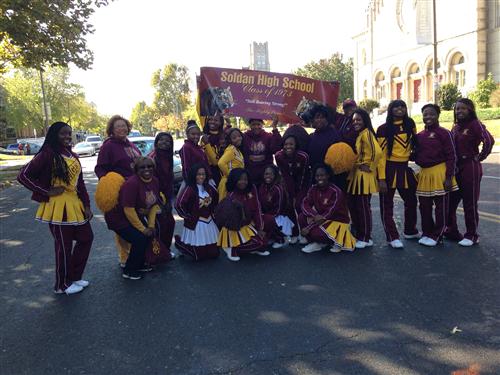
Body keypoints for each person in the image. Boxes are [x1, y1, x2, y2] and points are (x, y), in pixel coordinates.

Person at [17, 122, 93, 295]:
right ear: (54, 135)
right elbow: (23, 175)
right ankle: (62, 285)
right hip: (57, 206)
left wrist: (87, 205)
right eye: (63, 134)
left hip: (76, 204)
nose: (67, 136)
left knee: (86, 237)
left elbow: (79, 183)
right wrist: (46, 191)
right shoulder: (47, 153)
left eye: (69, 133)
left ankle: (74, 276)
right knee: (63, 246)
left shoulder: (72, 155)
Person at [445, 98, 494, 246]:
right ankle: (451, 230)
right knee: (450, 202)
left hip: (470, 167)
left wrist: (480, 157)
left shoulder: (475, 124)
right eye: (457, 109)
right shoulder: (455, 127)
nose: (459, 111)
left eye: (463, 108)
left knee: (469, 203)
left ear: (470, 110)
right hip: (456, 168)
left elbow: (489, 140)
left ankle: (472, 235)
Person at [105, 157, 162, 280]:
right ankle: (129, 270)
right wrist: (143, 229)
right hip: (118, 218)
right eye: (142, 167)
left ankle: (139, 264)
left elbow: (153, 206)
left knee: (147, 235)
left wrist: (150, 226)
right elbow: (128, 210)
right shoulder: (132, 184)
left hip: (134, 215)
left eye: (149, 166)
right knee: (139, 238)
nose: (147, 169)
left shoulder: (155, 181)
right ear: (136, 170)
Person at [95, 115, 141, 266]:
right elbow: (100, 168)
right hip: (119, 191)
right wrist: (108, 185)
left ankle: (138, 255)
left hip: (135, 189)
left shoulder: (131, 145)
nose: (122, 129)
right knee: (123, 226)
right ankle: (125, 258)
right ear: (112, 131)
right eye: (118, 127)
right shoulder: (108, 146)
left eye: (124, 126)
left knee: (135, 222)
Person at [376, 99, 419, 249]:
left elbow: (415, 144)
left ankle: (410, 230)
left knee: (411, 201)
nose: (400, 109)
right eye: (396, 107)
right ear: (390, 109)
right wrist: (381, 178)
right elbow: (380, 156)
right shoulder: (383, 129)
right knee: (386, 205)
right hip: (388, 169)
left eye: (402, 106)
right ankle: (392, 236)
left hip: (405, 168)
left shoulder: (410, 124)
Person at [414, 104, 458, 247]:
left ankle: (438, 235)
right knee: (424, 206)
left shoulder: (444, 133)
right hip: (424, 174)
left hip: (440, 172)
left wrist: (448, 177)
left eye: (431, 114)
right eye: (425, 114)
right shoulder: (419, 135)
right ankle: (427, 232)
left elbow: (452, 156)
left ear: (438, 115)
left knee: (441, 207)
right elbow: (415, 155)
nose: (428, 117)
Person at [299, 163, 356, 253]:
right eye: (317, 176)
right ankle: (316, 241)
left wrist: (308, 228)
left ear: (328, 176)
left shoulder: (336, 191)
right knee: (302, 217)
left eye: (322, 175)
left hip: (336, 221)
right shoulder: (313, 189)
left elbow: (329, 213)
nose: (319, 178)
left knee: (315, 232)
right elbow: (305, 204)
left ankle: (328, 241)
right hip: (322, 219)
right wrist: (314, 215)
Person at [347, 108, 382, 249]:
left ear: (365, 121)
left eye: (359, 120)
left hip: (363, 176)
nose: (356, 122)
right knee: (355, 206)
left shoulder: (367, 133)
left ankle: (366, 237)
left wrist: (370, 166)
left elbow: (377, 152)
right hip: (356, 175)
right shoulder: (360, 134)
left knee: (363, 208)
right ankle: (360, 233)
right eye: (354, 120)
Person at [217, 168, 268, 261]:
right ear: (234, 180)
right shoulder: (232, 196)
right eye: (240, 179)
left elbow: (257, 208)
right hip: (235, 228)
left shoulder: (252, 188)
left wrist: (260, 228)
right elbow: (233, 222)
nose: (243, 182)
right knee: (259, 244)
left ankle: (248, 246)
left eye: (245, 179)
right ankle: (231, 249)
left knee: (263, 243)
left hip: (248, 224)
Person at [174, 164, 220, 260]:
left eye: (203, 174)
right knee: (198, 256)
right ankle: (181, 245)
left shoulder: (208, 187)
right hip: (196, 223)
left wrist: (214, 211)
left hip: (209, 221)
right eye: (198, 174)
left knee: (214, 253)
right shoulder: (189, 189)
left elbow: (216, 198)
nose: (201, 176)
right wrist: (188, 216)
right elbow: (179, 204)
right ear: (193, 175)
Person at [275, 134, 311, 244]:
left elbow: (303, 176)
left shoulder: (303, 156)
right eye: (286, 144)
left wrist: (297, 194)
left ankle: (306, 234)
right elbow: (285, 176)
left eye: (291, 144)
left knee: (299, 205)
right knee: (289, 205)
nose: (288, 146)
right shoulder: (278, 156)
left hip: (303, 183)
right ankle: (295, 233)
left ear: (296, 145)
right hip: (289, 183)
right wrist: (291, 194)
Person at [303, 103, 345, 189]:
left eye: (322, 117)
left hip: (333, 179)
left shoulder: (336, 135)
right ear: (313, 120)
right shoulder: (311, 137)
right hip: (317, 179)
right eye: (317, 117)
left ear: (327, 119)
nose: (319, 120)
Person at [148, 132, 176, 253]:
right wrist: (159, 200)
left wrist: (168, 199)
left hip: (166, 196)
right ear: (156, 142)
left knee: (169, 223)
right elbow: (151, 181)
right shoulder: (153, 158)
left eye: (168, 141)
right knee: (160, 225)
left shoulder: (167, 157)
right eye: (161, 140)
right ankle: (157, 252)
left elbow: (169, 180)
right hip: (155, 197)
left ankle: (165, 250)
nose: (165, 143)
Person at [258, 165, 295, 248]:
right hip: (266, 215)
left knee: (268, 221)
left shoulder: (278, 188)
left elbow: (278, 209)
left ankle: (282, 239)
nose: (268, 176)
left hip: (279, 216)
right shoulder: (262, 187)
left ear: (275, 175)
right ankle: (272, 237)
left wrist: (265, 217)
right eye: (266, 174)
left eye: (271, 174)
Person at [242, 117, 282, 186]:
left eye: (258, 124)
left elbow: (276, 149)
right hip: (250, 173)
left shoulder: (268, 136)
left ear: (262, 125)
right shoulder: (245, 137)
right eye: (253, 124)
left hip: (266, 174)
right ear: (250, 125)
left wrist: (274, 128)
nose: (256, 127)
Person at [179, 120, 211, 187]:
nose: (196, 136)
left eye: (198, 134)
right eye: (193, 134)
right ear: (187, 134)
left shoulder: (199, 147)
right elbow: (186, 167)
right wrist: (190, 183)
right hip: (193, 182)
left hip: (203, 179)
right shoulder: (186, 147)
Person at [200, 113, 228, 187]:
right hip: (206, 172)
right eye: (210, 119)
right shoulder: (204, 136)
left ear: (221, 122)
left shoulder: (223, 138)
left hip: (219, 173)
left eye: (216, 120)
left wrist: (207, 144)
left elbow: (215, 162)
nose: (212, 122)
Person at [217, 127, 245, 200]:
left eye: (239, 136)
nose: (238, 138)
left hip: (235, 182)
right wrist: (231, 175)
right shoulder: (231, 150)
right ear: (230, 140)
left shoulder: (237, 149)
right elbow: (220, 163)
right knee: (225, 207)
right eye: (234, 138)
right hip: (228, 183)